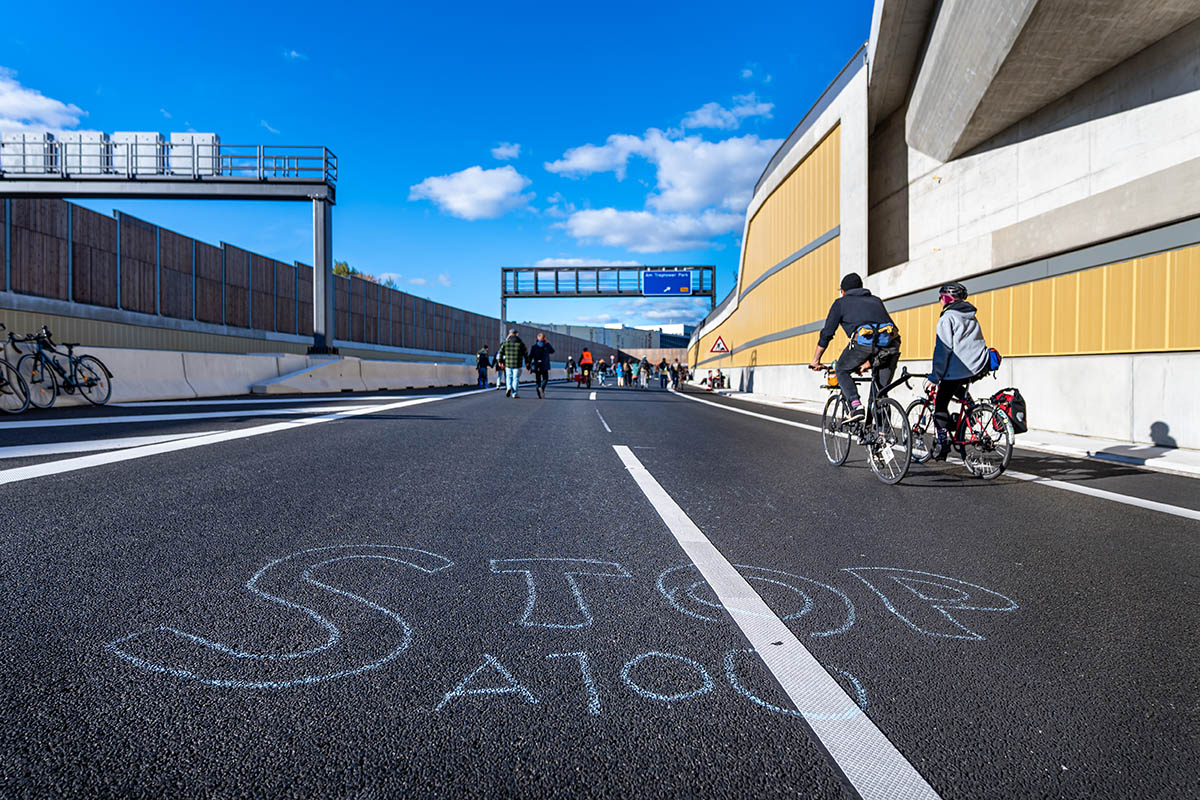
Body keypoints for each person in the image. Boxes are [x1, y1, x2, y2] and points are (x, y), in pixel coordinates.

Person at [809, 272, 901, 423]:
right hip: (891, 347)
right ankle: (884, 433)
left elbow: (827, 333)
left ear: (843, 291)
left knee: (841, 369)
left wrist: (816, 360)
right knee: (880, 393)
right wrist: (869, 362)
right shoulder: (876, 301)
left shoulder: (840, 303)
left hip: (864, 346)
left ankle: (855, 405)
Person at [926, 281, 992, 460]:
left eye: (941, 297)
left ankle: (942, 443)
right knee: (955, 386)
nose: (940, 301)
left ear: (947, 298)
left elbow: (943, 349)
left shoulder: (947, 318)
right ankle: (970, 408)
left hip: (959, 368)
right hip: (978, 365)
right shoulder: (971, 316)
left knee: (940, 404)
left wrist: (935, 376)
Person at [499, 329, 528, 398]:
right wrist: (527, 361)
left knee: (508, 377)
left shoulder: (505, 343)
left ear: (509, 334)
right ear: (516, 334)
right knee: (516, 379)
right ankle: (514, 394)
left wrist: (500, 362)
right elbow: (526, 354)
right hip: (517, 364)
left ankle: (508, 387)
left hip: (508, 364)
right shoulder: (521, 343)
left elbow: (500, 352)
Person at [526, 332, 555, 399]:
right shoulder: (546, 346)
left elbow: (530, 356)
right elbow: (552, 351)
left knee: (538, 380)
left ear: (537, 338)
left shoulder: (534, 347)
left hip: (537, 365)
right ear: (544, 338)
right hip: (545, 365)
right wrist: (547, 343)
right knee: (545, 379)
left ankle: (539, 392)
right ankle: (542, 388)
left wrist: (528, 364)